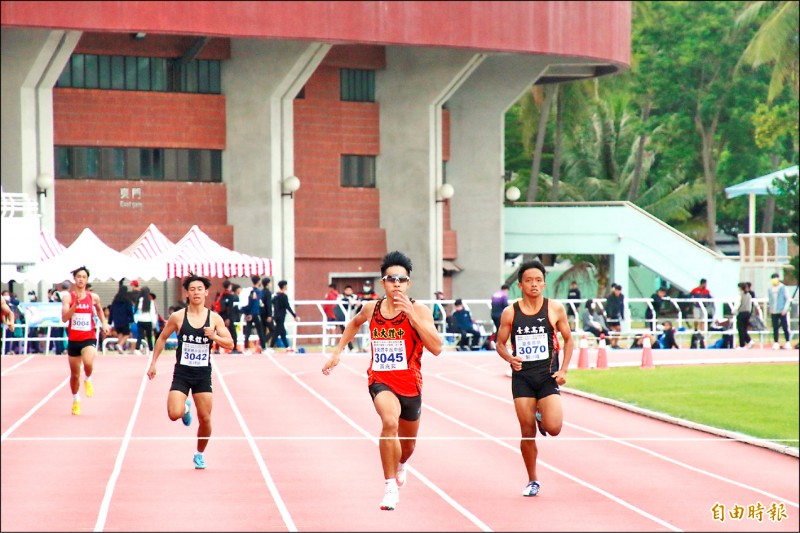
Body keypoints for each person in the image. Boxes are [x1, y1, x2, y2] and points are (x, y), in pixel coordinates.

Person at [321, 251, 442, 511]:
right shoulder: (371, 309)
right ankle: (389, 489)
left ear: (408, 283)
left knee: (407, 447)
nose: (396, 283)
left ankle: (401, 464)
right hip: (381, 380)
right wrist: (337, 352)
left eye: (401, 279)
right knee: (389, 422)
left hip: (411, 383)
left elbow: (436, 347)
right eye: (391, 278)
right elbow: (354, 323)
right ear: (382, 283)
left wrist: (412, 317)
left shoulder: (420, 310)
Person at [494, 259, 574, 498]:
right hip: (523, 379)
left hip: (548, 376)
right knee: (526, 430)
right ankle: (532, 480)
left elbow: (569, 340)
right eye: (529, 280)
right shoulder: (511, 312)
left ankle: (543, 415)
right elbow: (499, 343)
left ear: (544, 284)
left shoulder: (554, 309)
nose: (534, 285)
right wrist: (510, 357)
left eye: (538, 280)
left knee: (554, 428)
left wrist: (564, 370)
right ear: (520, 285)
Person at [147, 273, 234, 469]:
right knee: (173, 413)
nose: (196, 292)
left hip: (203, 375)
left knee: (205, 419)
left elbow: (230, 343)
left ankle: (199, 453)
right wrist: (153, 363)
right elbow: (161, 338)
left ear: (206, 292)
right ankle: (186, 407)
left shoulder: (214, 318)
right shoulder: (178, 317)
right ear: (187, 293)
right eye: (192, 289)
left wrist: (215, 337)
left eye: (200, 289)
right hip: (182, 374)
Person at [61, 266, 109, 416]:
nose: (81, 279)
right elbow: (64, 318)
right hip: (74, 339)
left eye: (84, 277)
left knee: (88, 362)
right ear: (74, 279)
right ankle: (76, 399)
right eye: (78, 277)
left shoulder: (93, 297)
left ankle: (88, 379)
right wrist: (74, 306)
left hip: (89, 337)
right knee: (74, 375)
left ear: (87, 279)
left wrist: (104, 323)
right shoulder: (68, 297)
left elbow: (100, 309)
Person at [270, 280, 299, 350]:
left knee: (282, 331)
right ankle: (270, 346)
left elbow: (272, 302)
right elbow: (287, 306)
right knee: (277, 331)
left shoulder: (275, 295)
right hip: (281, 315)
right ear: (284, 286)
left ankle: (287, 347)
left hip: (276, 315)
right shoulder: (284, 296)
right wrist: (294, 315)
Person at [767, 273, 792, 350]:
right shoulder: (770, 289)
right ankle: (776, 342)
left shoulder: (783, 288)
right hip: (774, 311)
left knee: (785, 326)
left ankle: (787, 342)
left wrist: (785, 309)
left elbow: (788, 299)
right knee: (775, 327)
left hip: (782, 310)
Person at [242, 275, 267, 352]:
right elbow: (256, 303)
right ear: (259, 281)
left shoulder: (248, 291)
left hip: (248, 313)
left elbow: (244, 303)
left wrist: (246, 313)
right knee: (260, 331)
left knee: (248, 331)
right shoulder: (257, 292)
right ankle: (263, 347)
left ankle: (246, 347)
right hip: (254, 314)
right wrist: (252, 314)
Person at [109, 285, 134, 353]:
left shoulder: (115, 300)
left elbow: (111, 310)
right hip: (125, 320)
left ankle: (119, 348)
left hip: (116, 320)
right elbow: (129, 311)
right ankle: (120, 345)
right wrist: (131, 319)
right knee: (126, 334)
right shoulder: (127, 300)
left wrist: (110, 320)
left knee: (120, 333)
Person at [218, 280, 241, 353]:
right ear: (229, 286)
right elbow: (230, 308)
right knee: (233, 333)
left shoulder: (221, 295)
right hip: (229, 317)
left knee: (219, 333)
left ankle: (216, 349)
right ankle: (234, 348)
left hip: (221, 317)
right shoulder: (231, 296)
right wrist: (228, 318)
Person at [135, 286, 159, 354]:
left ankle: (137, 349)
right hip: (148, 320)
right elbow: (152, 313)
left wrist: (136, 320)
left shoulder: (139, 300)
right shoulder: (150, 301)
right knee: (149, 336)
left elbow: (136, 311)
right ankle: (151, 350)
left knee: (140, 335)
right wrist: (154, 322)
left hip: (140, 320)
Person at [604, 283, 625, 348]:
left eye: (619, 291)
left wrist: (622, 315)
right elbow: (608, 306)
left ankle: (615, 344)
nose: (617, 292)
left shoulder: (621, 296)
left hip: (616, 315)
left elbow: (622, 306)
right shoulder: (610, 297)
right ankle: (611, 343)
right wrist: (609, 315)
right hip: (610, 315)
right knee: (612, 330)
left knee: (618, 329)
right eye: (616, 290)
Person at [337, 285, 357, 351]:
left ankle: (345, 346)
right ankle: (349, 347)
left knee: (349, 332)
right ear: (344, 291)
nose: (348, 292)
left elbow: (358, 301)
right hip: (342, 316)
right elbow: (339, 300)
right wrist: (348, 300)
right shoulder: (341, 296)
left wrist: (354, 302)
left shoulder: (354, 296)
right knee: (345, 331)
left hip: (351, 316)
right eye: (347, 290)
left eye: (350, 290)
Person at [735, 282, 753, 349]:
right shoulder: (749, 295)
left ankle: (742, 344)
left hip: (741, 313)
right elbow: (750, 305)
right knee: (744, 329)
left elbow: (737, 304)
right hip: (747, 313)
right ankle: (748, 341)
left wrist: (733, 311)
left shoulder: (740, 295)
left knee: (741, 329)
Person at [260, 277, 274, 343]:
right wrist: (269, 315)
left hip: (261, 313)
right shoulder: (268, 293)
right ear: (268, 284)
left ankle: (263, 345)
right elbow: (268, 304)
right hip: (267, 314)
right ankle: (263, 342)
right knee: (273, 330)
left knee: (263, 330)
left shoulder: (261, 292)